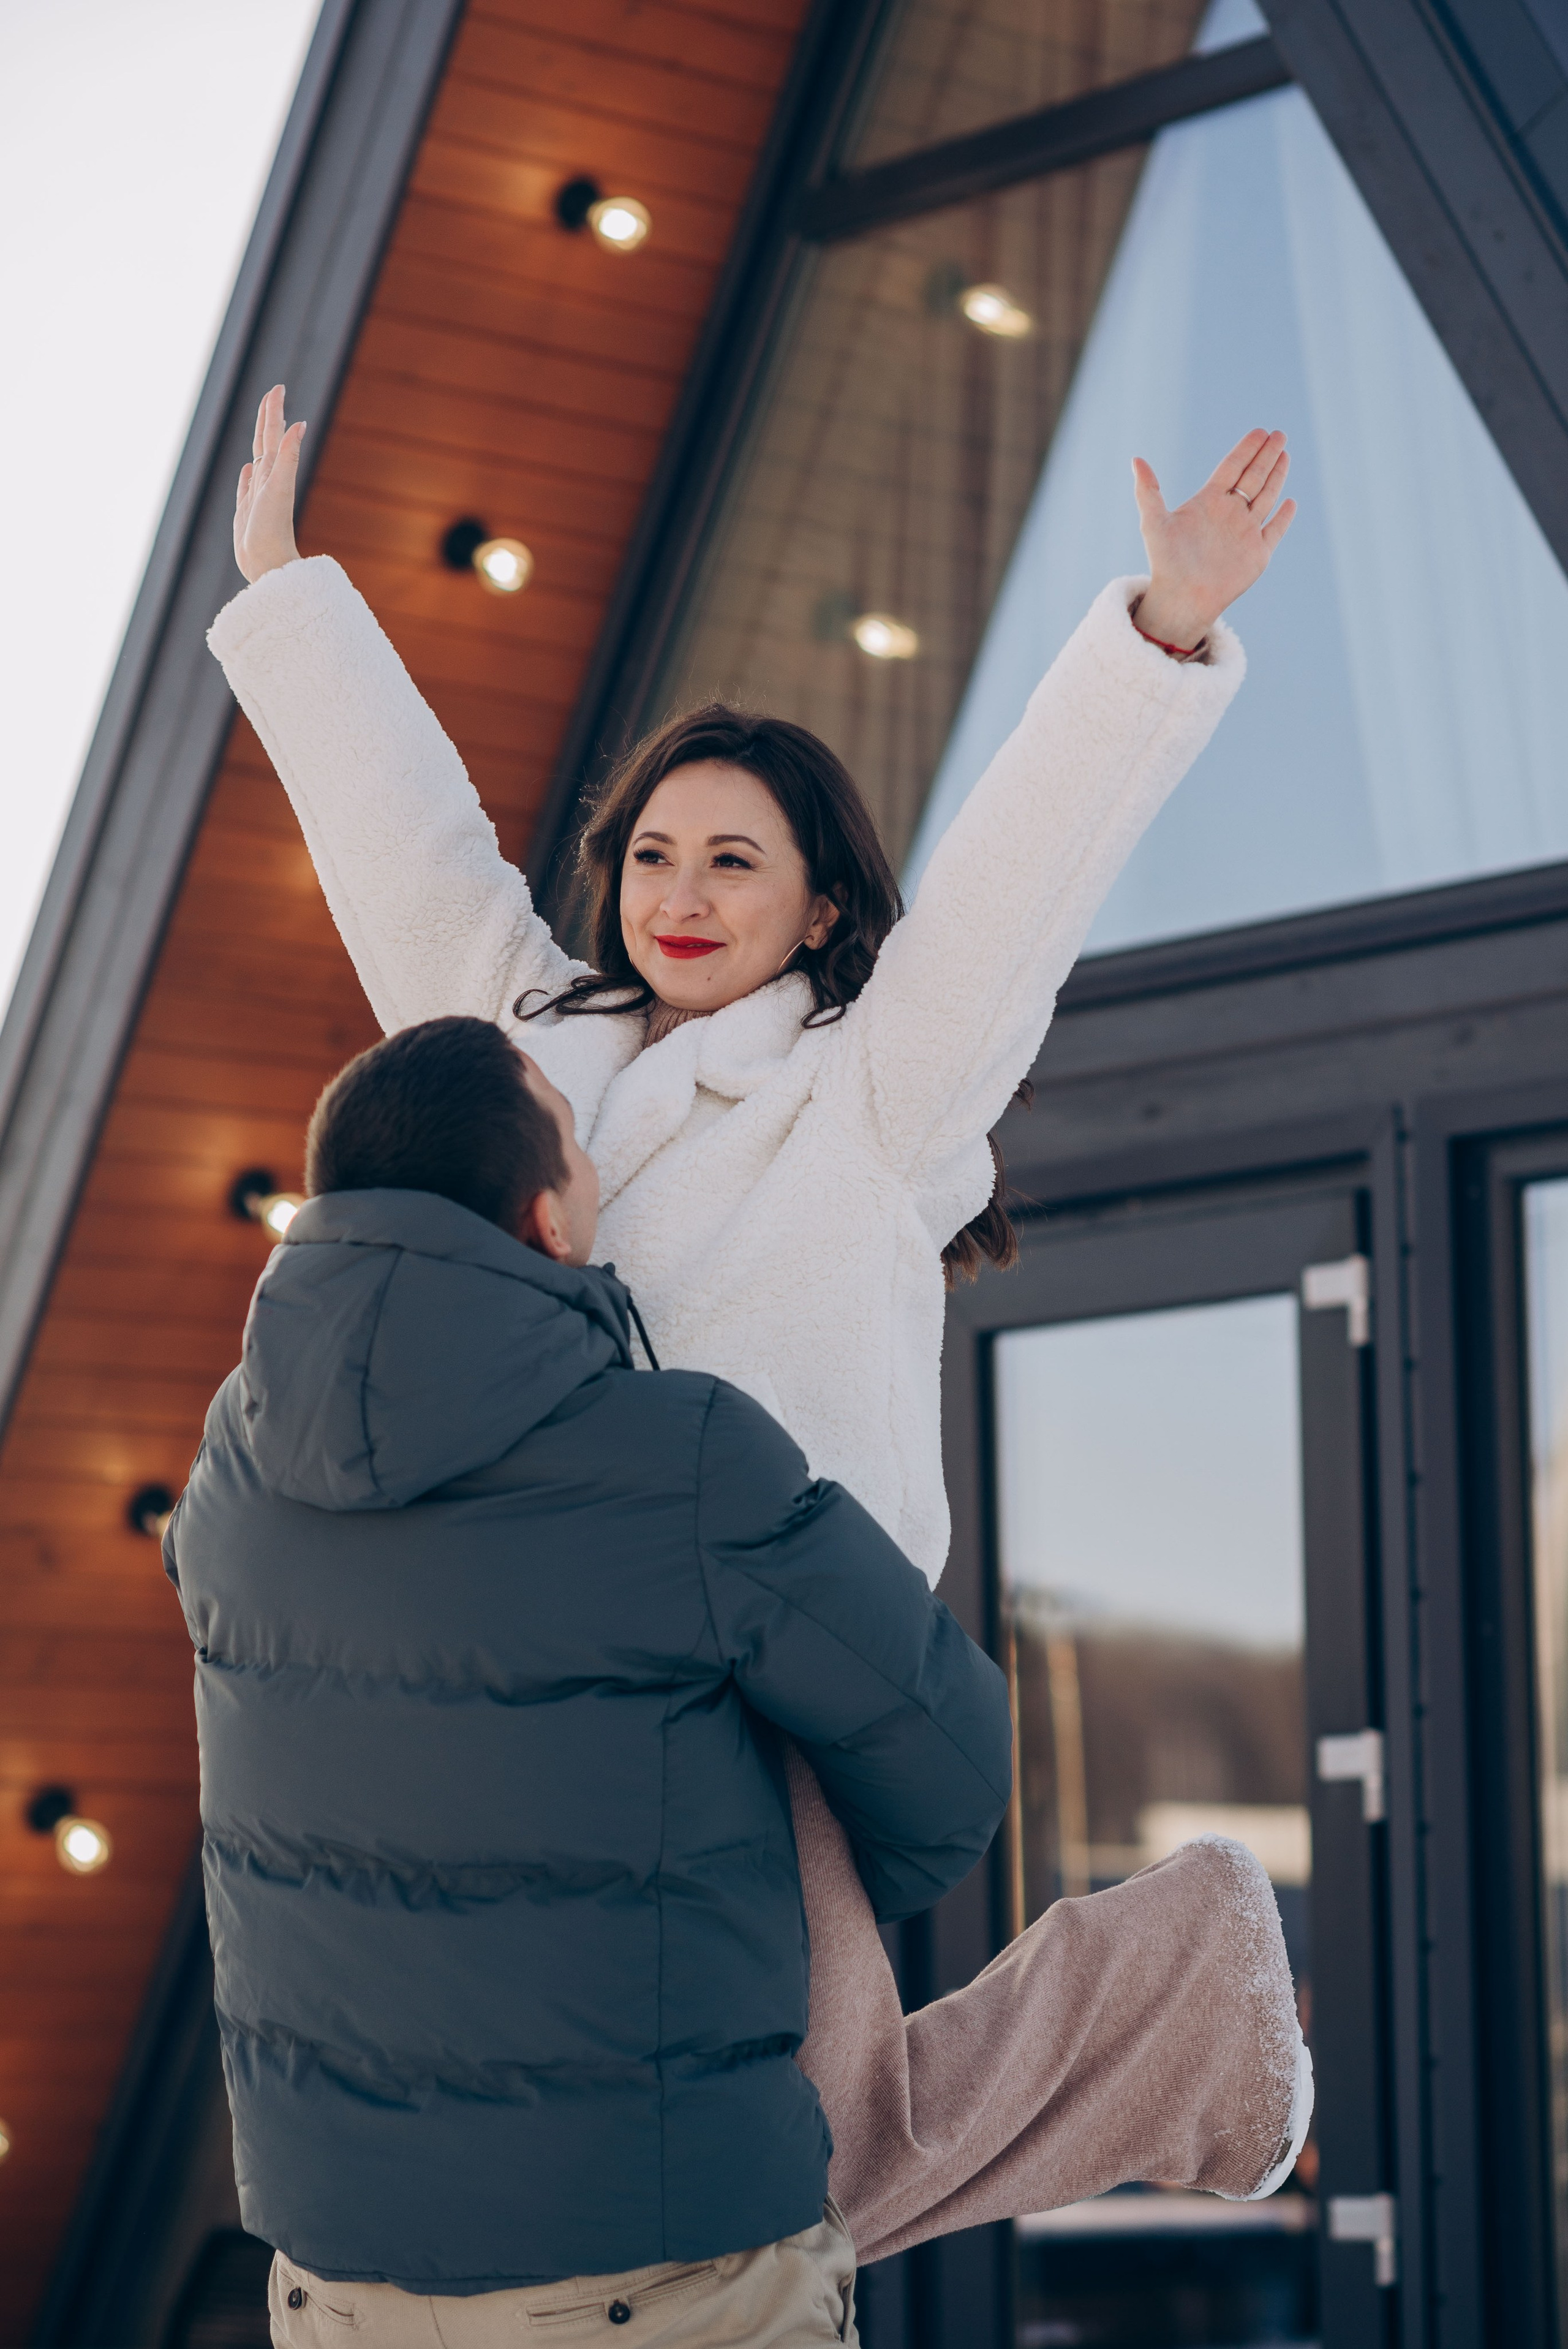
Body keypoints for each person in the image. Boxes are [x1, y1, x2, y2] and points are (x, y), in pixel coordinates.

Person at [206, 387, 1311, 2256]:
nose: (683, 893)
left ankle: (1195, 1994)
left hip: (779, 1680)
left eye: (735, 861)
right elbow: (403, 846)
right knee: (770, 2169)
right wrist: (290, 596)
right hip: (558, 1686)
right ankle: (1187, 1999)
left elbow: (1015, 892)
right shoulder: (522, 1043)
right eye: (653, 854)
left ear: (815, 909)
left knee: (793, 2163)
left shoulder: (870, 1091)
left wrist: (1158, 632)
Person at [165, 1013, 1016, 2343]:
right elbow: (953, 1761)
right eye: (577, 1139)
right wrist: (806, 1898)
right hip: (655, 2275)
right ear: (548, 1220)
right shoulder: (680, 1455)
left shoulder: (230, 1468)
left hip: (337, 2287)